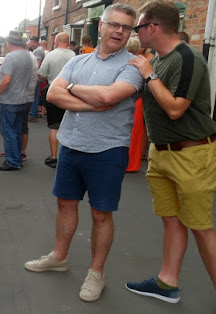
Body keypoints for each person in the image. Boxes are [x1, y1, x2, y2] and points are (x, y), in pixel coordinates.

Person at [24, 3, 143, 302]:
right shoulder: (78, 61)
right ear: (100, 26)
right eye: (114, 24)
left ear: (130, 32)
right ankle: (59, 257)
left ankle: (96, 273)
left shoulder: (132, 66)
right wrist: (93, 103)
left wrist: (74, 89)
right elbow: (53, 93)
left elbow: (108, 96)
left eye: (126, 27)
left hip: (107, 149)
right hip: (71, 144)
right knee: (65, 204)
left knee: (101, 214)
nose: (119, 31)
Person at [125, 0, 216, 303]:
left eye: (138, 26)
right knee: (172, 220)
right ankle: (167, 283)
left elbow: (176, 109)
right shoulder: (159, 59)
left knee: (201, 228)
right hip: (161, 154)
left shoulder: (187, 58)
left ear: (152, 27)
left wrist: (149, 74)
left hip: (191, 155)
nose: (135, 32)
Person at [0, 31, 32, 171]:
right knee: (17, 130)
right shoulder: (27, 55)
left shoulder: (11, 56)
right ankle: (17, 158)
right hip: (23, 99)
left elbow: (6, 80)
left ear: (10, 43)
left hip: (10, 100)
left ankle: (12, 161)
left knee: (8, 132)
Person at [38, 32, 75, 168]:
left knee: (54, 127)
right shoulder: (74, 56)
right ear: (68, 42)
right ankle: (68, 157)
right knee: (69, 126)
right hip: (70, 93)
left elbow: (41, 75)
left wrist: (50, 77)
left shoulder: (51, 55)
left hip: (54, 93)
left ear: (56, 42)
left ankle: (54, 157)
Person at [125, 37, 144, 172]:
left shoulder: (129, 61)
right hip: (138, 100)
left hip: (133, 99)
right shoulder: (141, 62)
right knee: (135, 133)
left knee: (128, 131)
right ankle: (131, 163)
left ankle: (127, 162)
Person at [28, 36, 46, 122]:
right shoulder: (39, 49)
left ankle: (32, 114)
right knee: (35, 95)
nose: (31, 44)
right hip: (38, 76)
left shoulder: (38, 51)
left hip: (35, 76)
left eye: (33, 42)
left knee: (33, 96)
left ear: (37, 42)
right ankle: (33, 113)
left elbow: (37, 64)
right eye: (31, 42)